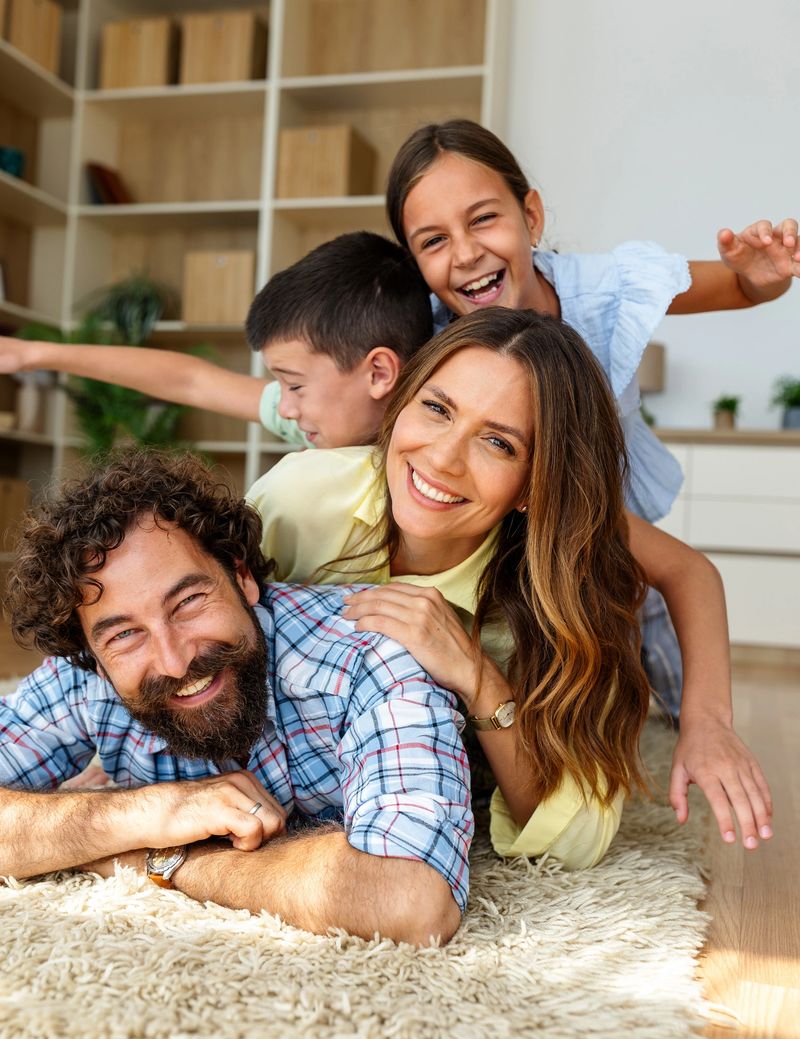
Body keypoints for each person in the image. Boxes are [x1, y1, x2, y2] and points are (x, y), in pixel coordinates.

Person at [247, 308, 773, 868]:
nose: (443, 458)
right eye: (436, 409)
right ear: (401, 404)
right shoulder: (299, 497)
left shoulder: (562, 605)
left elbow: (580, 835)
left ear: (533, 486)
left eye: (498, 443)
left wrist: (477, 678)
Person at [384, 118, 799, 717]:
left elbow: (741, 286)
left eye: (483, 219)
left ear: (531, 216)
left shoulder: (604, 289)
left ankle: (683, 725)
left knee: (663, 653)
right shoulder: (424, 332)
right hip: (515, 527)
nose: (467, 253)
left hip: (616, 516)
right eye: (433, 240)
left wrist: (763, 278)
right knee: (573, 670)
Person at [0, 450, 472, 946]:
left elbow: (412, 899)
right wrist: (147, 813)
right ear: (94, 655)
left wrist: (156, 859)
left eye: (188, 602)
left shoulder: (367, 655)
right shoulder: (90, 679)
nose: (175, 661)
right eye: (123, 635)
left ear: (241, 577)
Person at [0, 231, 433, 451]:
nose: (284, 407)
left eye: (295, 385)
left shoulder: (431, 450)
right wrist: (35, 354)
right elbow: (191, 380)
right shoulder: (336, 416)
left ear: (378, 373)